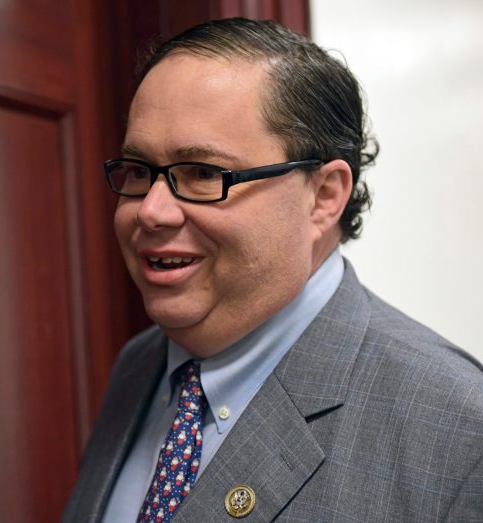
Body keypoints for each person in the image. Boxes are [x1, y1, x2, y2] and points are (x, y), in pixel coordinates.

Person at [62, 17, 483, 522]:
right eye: (138, 171)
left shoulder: (456, 427)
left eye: (202, 174)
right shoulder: (138, 366)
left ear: (324, 196)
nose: (151, 211)